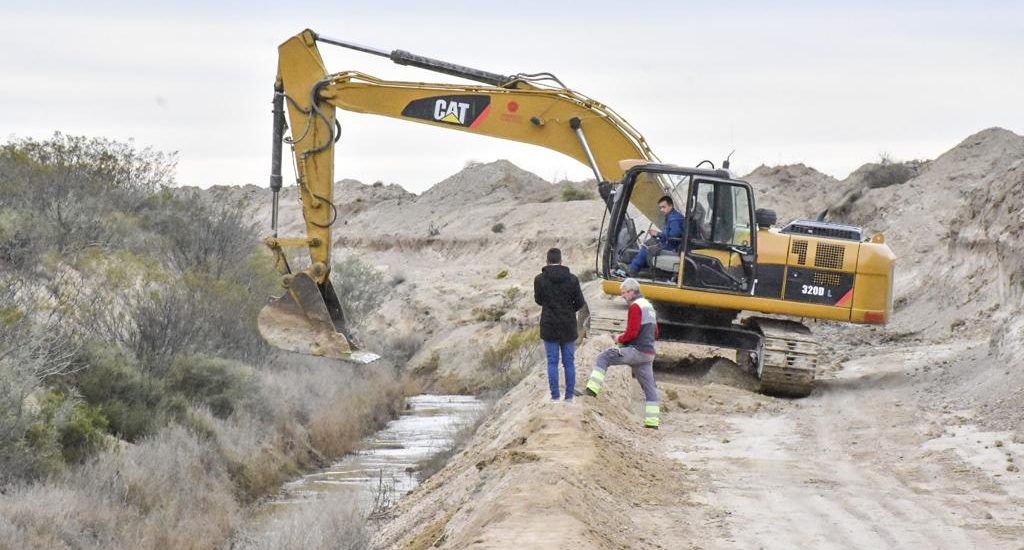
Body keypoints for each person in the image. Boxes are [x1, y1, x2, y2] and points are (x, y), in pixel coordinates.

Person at [583, 278, 661, 428]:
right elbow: (656, 333)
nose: (623, 296)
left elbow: (632, 333)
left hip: (636, 351)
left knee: (604, 357)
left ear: (631, 292)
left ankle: (591, 391)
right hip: (648, 354)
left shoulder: (636, 307)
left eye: (624, 293)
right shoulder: (649, 307)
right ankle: (652, 423)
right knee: (650, 388)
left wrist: (619, 338)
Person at [533, 247, 587, 401]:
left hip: (549, 324)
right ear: (561, 261)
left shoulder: (539, 279)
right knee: (569, 362)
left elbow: (538, 300)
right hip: (568, 324)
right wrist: (569, 309)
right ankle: (569, 396)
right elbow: (580, 303)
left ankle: (555, 396)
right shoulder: (572, 279)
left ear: (547, 261)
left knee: (552, 362)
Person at [627, 195, 685, 276]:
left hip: (672, 247)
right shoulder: (673, 216)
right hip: (671, 244)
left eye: (663, 207)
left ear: (671, 205)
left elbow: (674, 235)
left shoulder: (674, 218)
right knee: (648, 245)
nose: (661, 210)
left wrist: (658, 234)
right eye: (660, 208)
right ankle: (638, 269)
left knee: (646, 249)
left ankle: (632, 270)